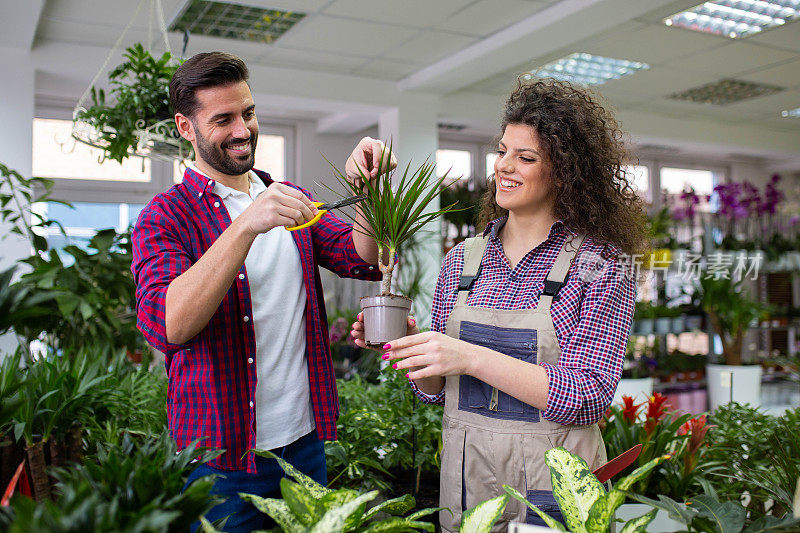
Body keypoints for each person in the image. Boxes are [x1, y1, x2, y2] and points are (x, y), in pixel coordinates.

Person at [351, 78, 646, 531]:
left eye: (525, 158)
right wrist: (415, 348)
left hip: (556, 486)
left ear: (565, 173)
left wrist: (468, 355)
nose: (504, 167)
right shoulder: (462, 259)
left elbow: (587, 396)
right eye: (503, 151)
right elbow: (435, 392)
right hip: (468, 483)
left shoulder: (599, 263)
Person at [131, 52, 393, 532]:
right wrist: (245, 225)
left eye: (248, 113)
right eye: (222, 119)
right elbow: (171, 326)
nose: (241, 130)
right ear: (185, 127)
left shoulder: (287, 198)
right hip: (220, 458)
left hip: (304, 445)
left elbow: (363, 258)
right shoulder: (164, 216)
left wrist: (366, 186)